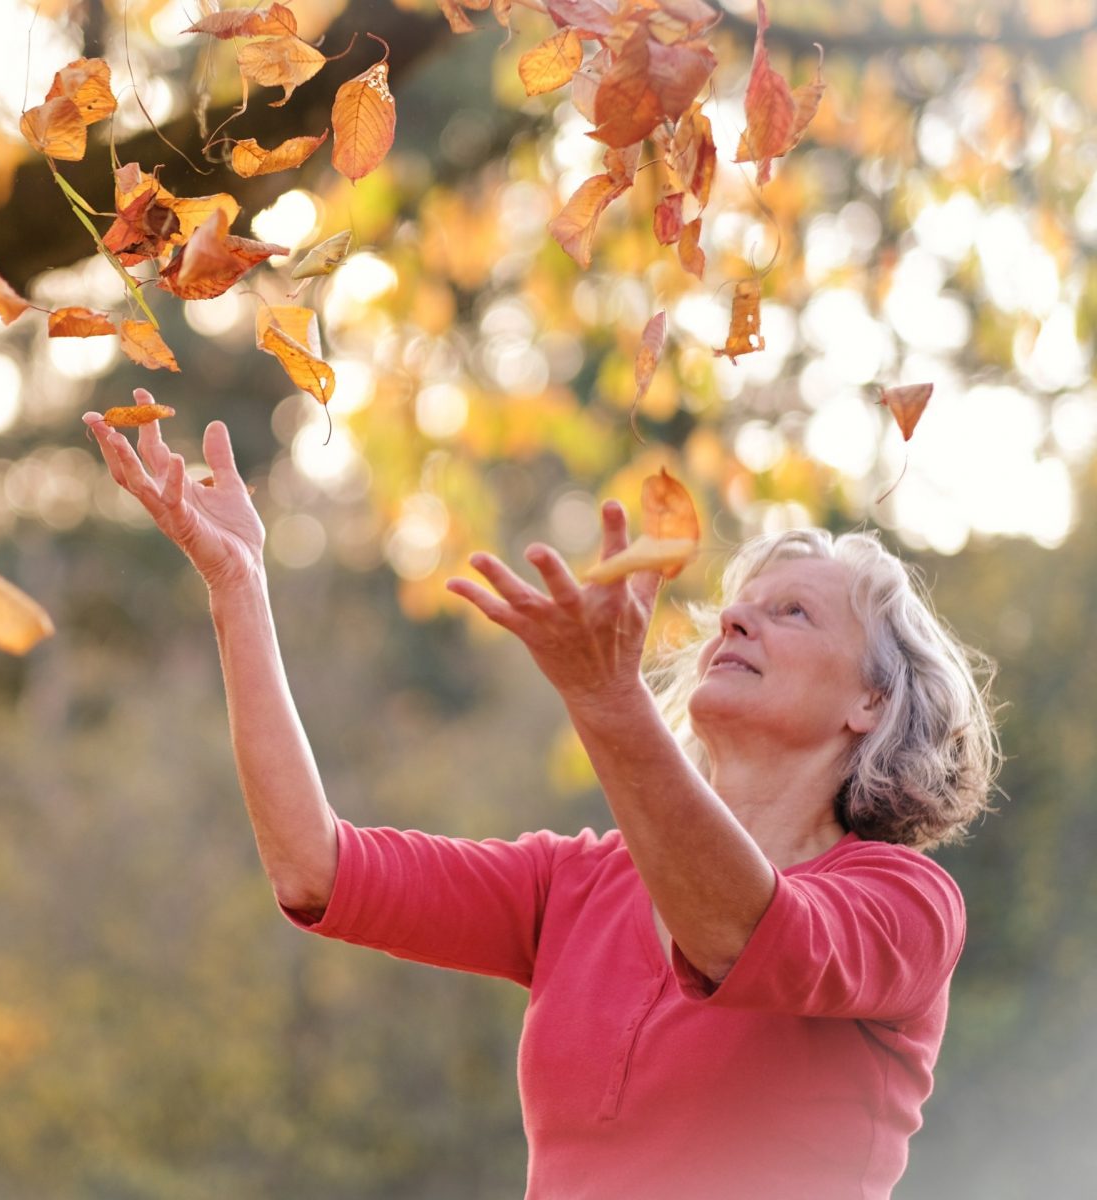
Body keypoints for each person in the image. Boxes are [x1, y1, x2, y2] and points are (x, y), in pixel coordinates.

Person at [84, 391, 1000, 1200]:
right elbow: (313, 867)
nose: (732, 618)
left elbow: (739, 934)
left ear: (872, 700)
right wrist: (238, 585)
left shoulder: (906, 903)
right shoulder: (574, 885)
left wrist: (608, 701)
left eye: (792, 611)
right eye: (737, 604)